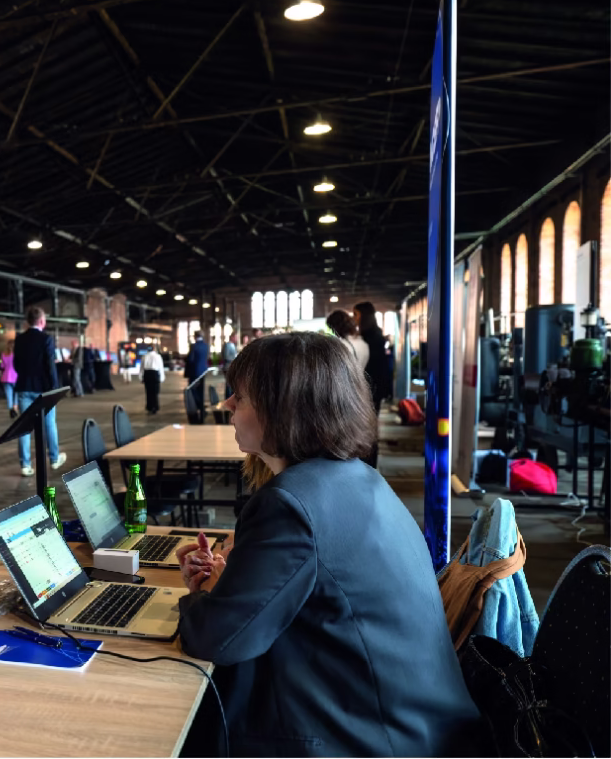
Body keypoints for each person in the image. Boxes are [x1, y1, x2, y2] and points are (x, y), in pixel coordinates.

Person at [175, 333, 480, 757]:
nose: (226, 405)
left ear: (281, 410)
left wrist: (204, 595)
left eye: (239, 397)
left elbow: (217, 641)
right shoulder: (361, 479)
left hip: (368, 739)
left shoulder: (289, 504)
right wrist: (235, 583)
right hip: (419, 726)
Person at [13, 307, 66, 477]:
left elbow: (16, 364)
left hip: (24, 387)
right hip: (43, 389)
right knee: (49, 424)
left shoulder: (19, 339)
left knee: (25, 428)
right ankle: (54, 458)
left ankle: (25, 465)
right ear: (42, 321)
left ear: (28, 321)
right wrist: (55, 388)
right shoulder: (46, 339)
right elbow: (50, 365)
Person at [354, 301, 389, 469]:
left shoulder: (370, 338)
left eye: (356, 315)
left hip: (371, 389)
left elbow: (374, 368)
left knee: (368, 429)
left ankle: (369, 464)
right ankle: (369, 464)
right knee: (369, 428)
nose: (354, 319)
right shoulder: (374, 335)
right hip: (374, 388)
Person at [184, 330, 209, 413]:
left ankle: (198, 405)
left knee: (192, 389)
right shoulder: (206, 346)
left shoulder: (194, 346)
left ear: (195, 336)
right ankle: (201, 407)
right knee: (201, 390)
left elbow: (191, 359)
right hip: (203, 371)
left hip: (194, 372)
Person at [141, 347, 165, 414]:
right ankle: (155, 406)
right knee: (155, 392)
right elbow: (161, 367)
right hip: (155, 374)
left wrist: (141, 377)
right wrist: (162, 378)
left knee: (148, 392)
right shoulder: (158, 356)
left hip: (147, 374)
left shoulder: (144, 356)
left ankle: (149, 407)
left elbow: (142, 368)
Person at [0, 340, 18, 419]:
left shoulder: (3, 354)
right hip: (16, 376)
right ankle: (15, 407)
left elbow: (2, 366)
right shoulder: (16, 355)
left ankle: (10, 409)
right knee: (16, 393)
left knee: (8, 394)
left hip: (6, 377)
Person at [222, 333, 238, 399]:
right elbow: (226, 356)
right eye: (236, 337)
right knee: (228, 385)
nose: (237, 339)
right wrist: (235, 359)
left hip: (232, 367)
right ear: (232, 337)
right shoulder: (227, 345)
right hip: (228, 367)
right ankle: (227, 399)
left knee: (232, 385)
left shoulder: (233, 345)